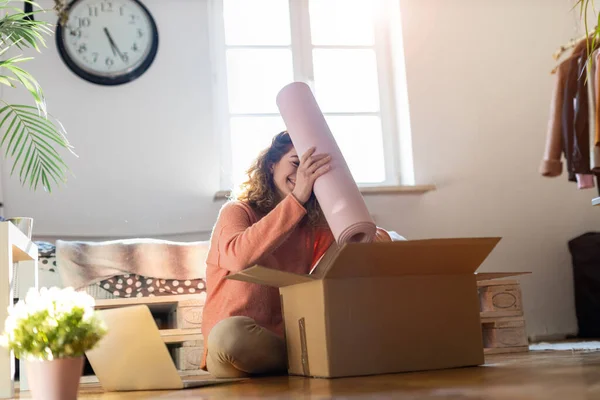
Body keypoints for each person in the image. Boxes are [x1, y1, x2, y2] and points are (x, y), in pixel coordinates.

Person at [200, 131, 392, 378]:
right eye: (295, 163)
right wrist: (298, 197)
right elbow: (239, 259)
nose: (304, 173)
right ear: (271, 165)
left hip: (285, 342)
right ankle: (312, 360)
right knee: (230, 334)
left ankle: (310, 359)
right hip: (237, 346)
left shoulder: (311, 223)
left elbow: (374, 241)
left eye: (312, 168)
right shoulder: (237, 211)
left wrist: (344, 205)